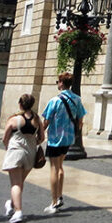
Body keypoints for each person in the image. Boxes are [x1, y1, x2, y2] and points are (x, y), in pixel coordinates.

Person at [41, 71, 87, 214]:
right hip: (68, 139)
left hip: (55, 139)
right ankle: (60, 196)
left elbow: (46, 121)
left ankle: (54, 202)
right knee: (60, 166)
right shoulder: (77, 99)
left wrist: (40, 134)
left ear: (61, 83)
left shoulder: (54, 101)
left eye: (58, 82)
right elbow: (80, 121)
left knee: (54, 168)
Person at [1, 93, 45, 223]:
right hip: (30, 155)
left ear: (20, 104)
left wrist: (7, 147)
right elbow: (42, 138)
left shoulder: (14, 119)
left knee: (15, 184)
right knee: (19, 183)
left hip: (15, 152)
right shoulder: (37, 120)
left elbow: (5, 138)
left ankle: (18, 211)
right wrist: (33, 143)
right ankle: (11, 204)